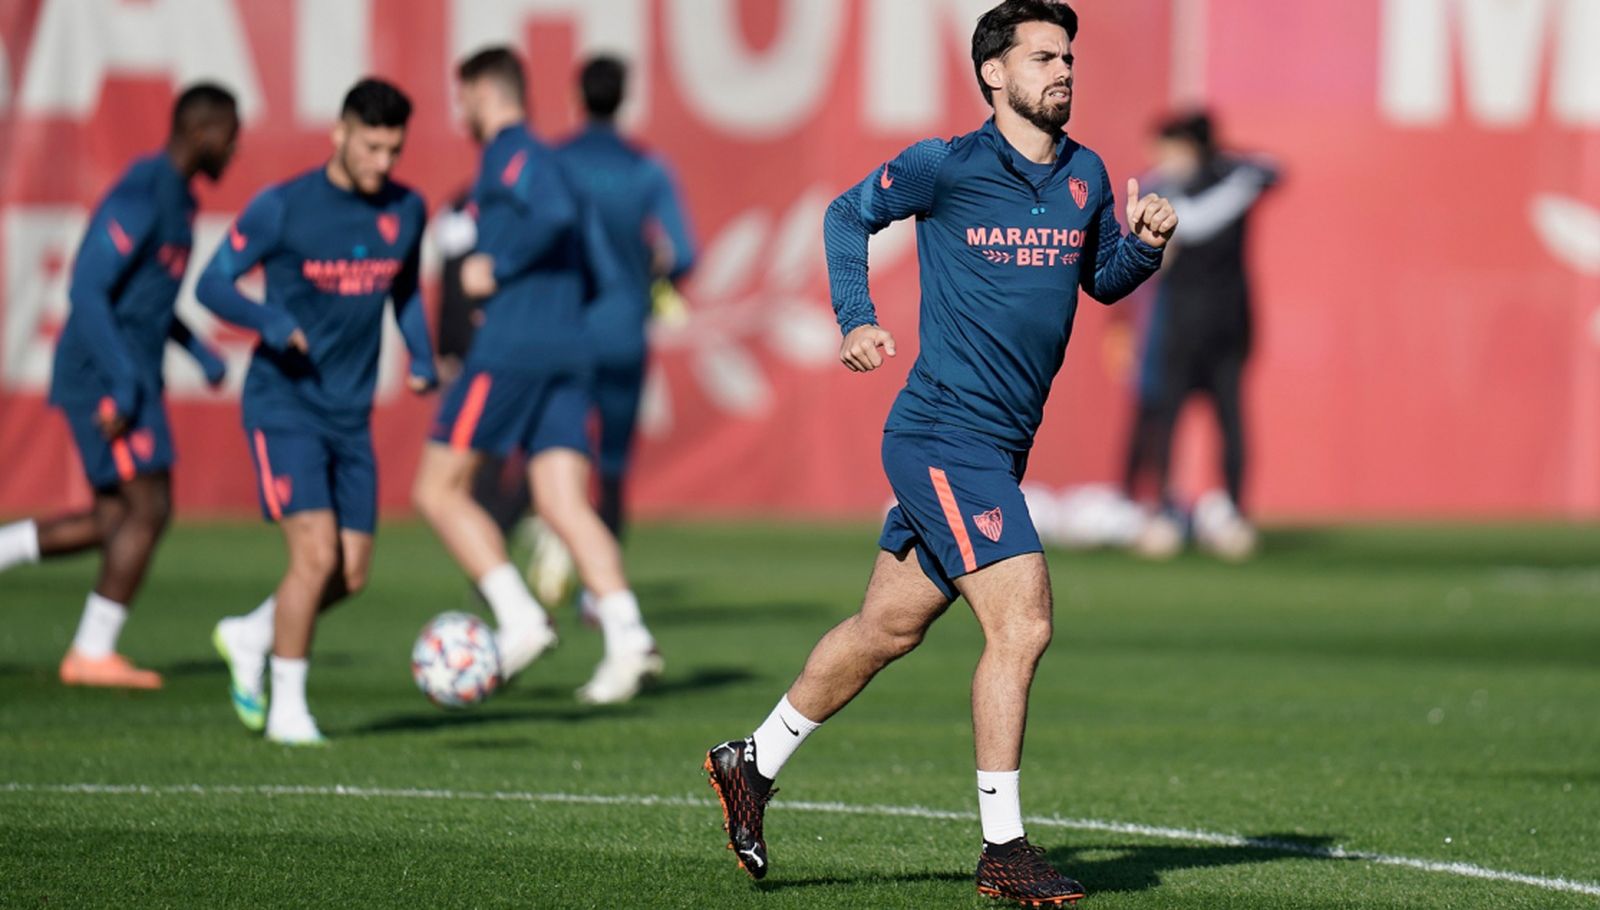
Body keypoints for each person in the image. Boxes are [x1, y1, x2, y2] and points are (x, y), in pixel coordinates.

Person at [703, 2, 1176, 904]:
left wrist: (1144, 247)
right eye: (1044, 55)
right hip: (940, 435)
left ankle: (751, 762)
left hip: (995, 446)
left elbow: (1102, 280)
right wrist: (857, 318)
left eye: (1069, 55)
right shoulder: (946, 166)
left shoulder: (1087, 175)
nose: (1064, 69)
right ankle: (1004, 850)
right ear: (994, 73)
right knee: (1023, 623)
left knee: (888, 627)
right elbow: (847, 215)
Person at [411, 47, 661, 705]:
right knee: (561, 501)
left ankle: (519, 616)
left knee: (437, 490)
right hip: (568, 347)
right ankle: (629, 637)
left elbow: (546, 215)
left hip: (514, 344)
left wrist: (499, 266)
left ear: (480, 91)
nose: (459, 109)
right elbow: (602, 267)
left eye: (461, 96)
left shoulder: (513, 152)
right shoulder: (553, 162)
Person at [198, 78, 437, 745]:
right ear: (339, 132)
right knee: (314, 557)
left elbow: (409, 289)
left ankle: (250, 635)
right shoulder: (284, 207)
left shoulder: (406, 209)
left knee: (350, 573)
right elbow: (212, 283)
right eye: (371, 146)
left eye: (393, 149)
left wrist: (419, 354)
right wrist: (269, 319)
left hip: (349, 414)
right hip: (285, 406)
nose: (382, 163)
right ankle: (289, 712)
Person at [0, 84, 237, 689]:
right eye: (230, 136)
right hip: (107, 376)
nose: (234, 150)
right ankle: (90, 653)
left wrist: (195, 347)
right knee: (149, 507)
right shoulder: (142, 193)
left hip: (127, 371)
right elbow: (87, 291)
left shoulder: (179, 199)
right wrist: (124, 383)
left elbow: (147, 299)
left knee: (114, 518)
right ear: (204, 132)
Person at [1121, 111, 1277, 560]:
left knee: (1229, 416)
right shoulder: (1167, 189)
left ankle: (1232, 512)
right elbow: (1188, 223)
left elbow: (1274, 170)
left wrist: (1229, 175)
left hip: (1228, 324)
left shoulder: (1234, 176)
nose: (1161, 159)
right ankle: (1166, 511)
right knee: (1167, 417)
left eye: (1170, 148)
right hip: (1181, 323)